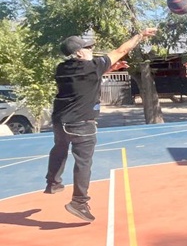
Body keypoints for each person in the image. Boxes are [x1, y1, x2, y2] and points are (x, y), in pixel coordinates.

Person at [43, 28, 157, 222]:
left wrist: (110, 68)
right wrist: (140, 35)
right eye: (87, 48)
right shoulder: (92, 66)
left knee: (60, 148)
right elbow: (121, 50)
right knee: (83, 162)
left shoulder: (61, 69)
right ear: (79, 53)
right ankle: (79, 202)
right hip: (81, 123)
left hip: (59, 121)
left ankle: (53, 182)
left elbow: (86, 78)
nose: (91, 50)